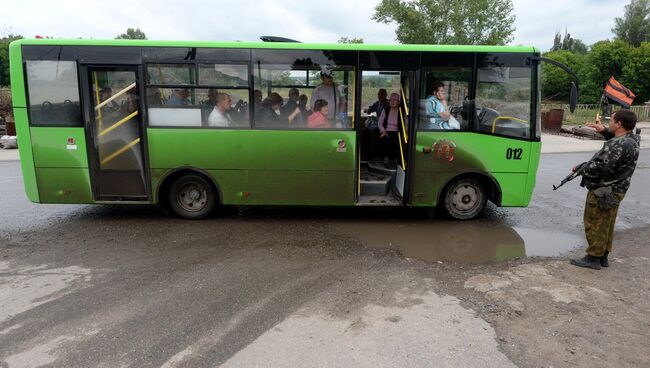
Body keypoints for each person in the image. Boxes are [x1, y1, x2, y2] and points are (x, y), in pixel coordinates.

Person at [569, 109, 640, 270]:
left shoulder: (621, 144)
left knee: (596, 222)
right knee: (606, 223)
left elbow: (602, 167)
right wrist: (605, 131)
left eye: (612, 121)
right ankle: (603, 255)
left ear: (619, 124)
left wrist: (580, 168)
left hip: (605, 190)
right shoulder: (631, 139)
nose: (609, 124)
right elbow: (617, 145)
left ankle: (593, 257)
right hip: (615, 189)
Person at [377, 93, 402, 161]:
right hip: (386, 131)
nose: (392, 102)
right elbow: (380, 123)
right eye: (391, 100)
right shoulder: (386, 110)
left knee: (395, 140)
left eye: (395, 100)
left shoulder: (401, 112)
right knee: (383, 138)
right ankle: (385, 158)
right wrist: (383, 131)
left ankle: (393, 159)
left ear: (399, 102)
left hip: (397, 132)